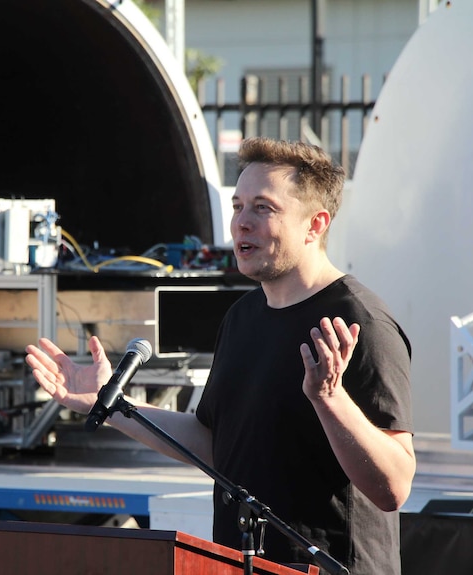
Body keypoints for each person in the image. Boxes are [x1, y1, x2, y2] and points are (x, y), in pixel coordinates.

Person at [25, 137, 415, 575]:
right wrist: (111, 405)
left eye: (263, 208)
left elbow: (394, 487)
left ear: (315, 224)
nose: (241, 224)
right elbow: (216, 444)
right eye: (237, 206)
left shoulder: (359, 322)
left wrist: (330, 400)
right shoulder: (242, 317)